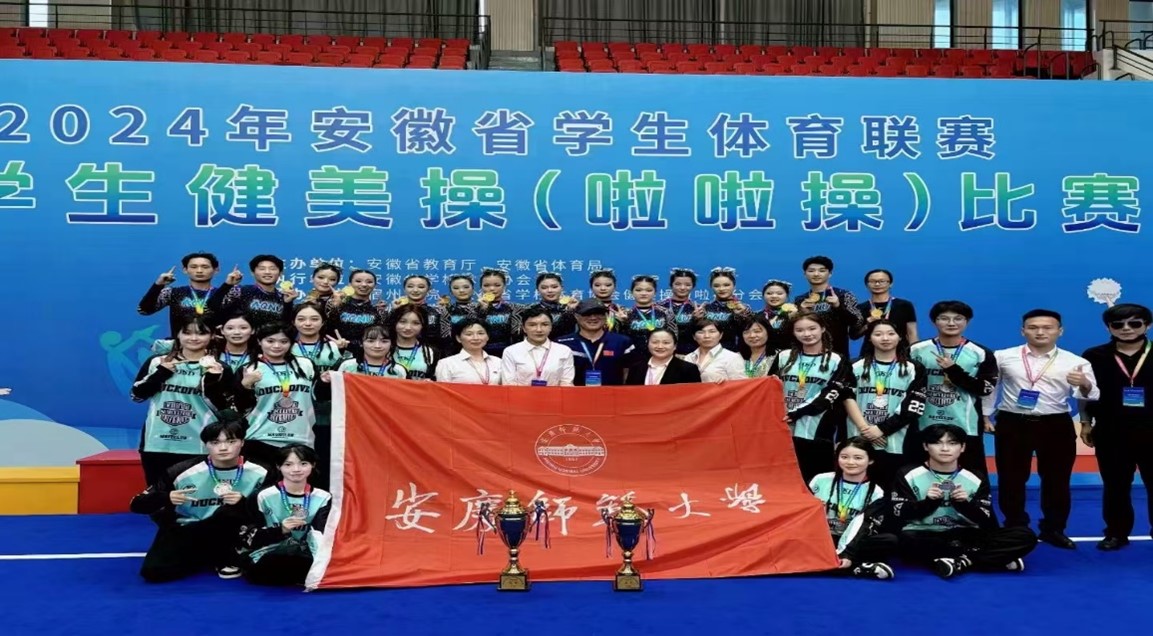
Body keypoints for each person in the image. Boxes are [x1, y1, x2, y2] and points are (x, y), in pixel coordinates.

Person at [983, 309, 1099, 549]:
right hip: (1013, 423)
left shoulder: (1075, 361)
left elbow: (1091, 395)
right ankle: (1015, 526)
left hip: (1055, 424)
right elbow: (991, 387)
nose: (1040, 332)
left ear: (1060, 331)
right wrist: (985, 415)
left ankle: (1053, 529)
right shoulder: (1003, 356)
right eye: (1033, 327)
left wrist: (1085, 384)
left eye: (1047, 327)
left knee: (1057, 480)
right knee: (1011, 478)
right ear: (1023, 331)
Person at [131, 412, 270, 582]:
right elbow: (136, 504)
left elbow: (273, 510)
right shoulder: (181, 471)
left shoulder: (262, 471)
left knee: (229, 513)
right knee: (154, 572)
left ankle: (225, 554)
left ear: (242, 443)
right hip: (191, 529)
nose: (223, 448)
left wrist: (244, 503)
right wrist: (166, 497)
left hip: (235, 531)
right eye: (215, 442)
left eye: (231, 441)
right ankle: (207, 554)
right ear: (205, 445)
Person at [891, 424, 1037, 578]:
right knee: (905, 543)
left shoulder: (976, 477)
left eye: (952, 443)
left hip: (966, 534)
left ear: (962, 447)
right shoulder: (907, 474)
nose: (945, 449)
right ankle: (989, 558)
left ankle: (961, 561)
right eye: (937, 443)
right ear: (925, 446)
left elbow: (985, 520)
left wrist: (964, 504)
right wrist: (928, 502)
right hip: (924, 533)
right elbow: (898, 514)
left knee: (1025, 535)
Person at [1080, 303, 1153, 550]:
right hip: (1112, 431)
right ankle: (1116, 533)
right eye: (1118, 324)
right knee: (1115, 486)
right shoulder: (1094, 355)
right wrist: (1085, 423)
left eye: (1135, 323)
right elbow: (1085, 393)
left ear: (1147, 325)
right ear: (1108, 328)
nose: (1126, 328)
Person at [131, 317, 234, 484]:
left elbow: (225, 409)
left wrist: (212, 380)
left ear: (212, 336)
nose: (193, 338)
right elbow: (136, 396)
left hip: (199, 445)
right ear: (178, 335)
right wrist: (161, 373)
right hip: (157, 443)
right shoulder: (157, 362)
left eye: (201, 333)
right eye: (187, 333)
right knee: (159, 495)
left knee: (196, 495)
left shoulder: (220, 368)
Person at [908, 301, 998, 476]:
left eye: (958, 318)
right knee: (918, 474)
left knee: (972, 475)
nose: (951, 323)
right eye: (944, 318)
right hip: (923, 424)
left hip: (965, 424)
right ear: (934, 321)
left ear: (967, 322)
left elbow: (985, 389)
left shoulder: (980, 353)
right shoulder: (916, 350)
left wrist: (953, 371)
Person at [844, 320, 928, 488]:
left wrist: (881, 429)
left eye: (890, 334)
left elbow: (913, 406)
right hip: (859, 438)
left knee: (892, 489)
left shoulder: (914, 368)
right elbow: (846, 398)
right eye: (878, 334)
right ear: (869, 338)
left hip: (897, 442)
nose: (885, 338)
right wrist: (866, 429)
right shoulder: (854, 366)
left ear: (900, 337)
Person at [769, 311, 851, 481]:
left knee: (813, 480)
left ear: (822, 329)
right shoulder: (784, 356)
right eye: (800, 330)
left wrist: (798, 412)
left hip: (818, 431)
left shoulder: (837, 360)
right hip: (783, 428)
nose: (806, 334)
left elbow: (831, 393)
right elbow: (769, 388)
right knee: (783, 479)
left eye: (812, 328)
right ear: (793, 332)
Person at [241, 444, 332, 587]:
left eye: (303, 464)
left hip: (307, 553)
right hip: (270, 552)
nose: (296, 469)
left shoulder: (323, 497)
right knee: (267, 564)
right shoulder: (262, 496)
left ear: (313, 465)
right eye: (288, 464)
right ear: (278, 466)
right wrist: (281, 530)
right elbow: (249, 539)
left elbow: (322, 535)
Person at [808, 438, 898, 580]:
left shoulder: (876, 492)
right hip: (819, 538)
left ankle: (827, 564)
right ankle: (859, 568)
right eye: (844, 457)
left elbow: (866, 525)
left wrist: (847, 554)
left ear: (870, 460)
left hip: (852, 540)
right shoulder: (820, 480)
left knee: (889, 540)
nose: (850, 462)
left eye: (858, 458)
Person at [234, 323, 320, 470]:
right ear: (259, 341)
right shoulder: (249, 369)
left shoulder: (306, 365)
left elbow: (320, 396)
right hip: (261, 439)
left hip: (301, 438)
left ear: (291, 343)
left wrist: (324, 382)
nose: (277, 346)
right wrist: (245, 385)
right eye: (270, 341)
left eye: (284, 341)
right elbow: (241, 407)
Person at [794, 255, 864, 359]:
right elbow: (795, 328)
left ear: (830, 273)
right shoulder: (800, 300)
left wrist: (838, 306)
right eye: (811, 271)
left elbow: (857, 322)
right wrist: (802, 311)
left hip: (838, 352)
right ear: (805, 274)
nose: (816, 274)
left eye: (822, 271)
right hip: (806, 353)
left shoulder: (843, 295)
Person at [137, 252, 220, 337]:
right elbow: (144, 310)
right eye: (193, 267)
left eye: (205, 267)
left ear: (216, 270)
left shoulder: (225, 295)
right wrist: (158, 285)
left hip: (217, 344)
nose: (199, 271)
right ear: (185, 270)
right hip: (180, 344)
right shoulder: (172, 293)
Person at [557, 299, 634, 386]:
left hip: (613, 394)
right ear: (576, 316)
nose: (593, 317)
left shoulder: (623, 342)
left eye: (598, 313)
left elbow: (626, 375)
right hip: (573, 394)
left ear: (606, 315)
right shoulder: (562, 343)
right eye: (587, 314)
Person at [501, 306, 575, 386]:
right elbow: (509, 384)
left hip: (555, 394)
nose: (539, 330)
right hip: (520, 394)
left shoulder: (564, 351)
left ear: (551, 327)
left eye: (544, 324)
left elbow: (567, 383)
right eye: (532, 325)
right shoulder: (511, 351)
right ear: (524, 328)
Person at [614, 275, 674, 368]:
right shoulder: (624, 313)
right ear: (631, 292)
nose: (643, 293)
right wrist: (620, 322)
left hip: (660, 359)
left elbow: (674, 337)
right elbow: (615, 340)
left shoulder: (666, 312)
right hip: (631, 361)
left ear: (655, 292)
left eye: (649, 290)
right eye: (638, 290)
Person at [325, 269, 387, 353]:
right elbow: (325, 330)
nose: (364, 285)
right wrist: (335, 307)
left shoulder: (378, 311)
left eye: (369, 282)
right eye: (358, 281)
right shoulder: (336, 306)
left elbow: (382, 337)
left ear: (375, 285)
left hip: (367, 355)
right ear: (350, 284)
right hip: (335, 353)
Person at [691, 267, 753, 351]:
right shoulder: (705, 308)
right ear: (711, 287)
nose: (721, 289)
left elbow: (752, 332)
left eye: (726, 285)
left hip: (735, 353)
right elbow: (695, 335)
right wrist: (695, 319)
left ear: (734, 286)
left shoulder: (743, 308)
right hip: (708, 352)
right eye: (716, 286)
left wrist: (744, 314)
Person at [856, 269, 918, 344]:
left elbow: (912, 333)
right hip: (870, 350)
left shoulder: (905, 306)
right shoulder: (860, 308)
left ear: (891, 284)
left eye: (882, 281)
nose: (877, 284)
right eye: (872, 281)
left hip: (901, 349)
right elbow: (854, 335)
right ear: (867, 285)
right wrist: (867, 324)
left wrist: (915, 350)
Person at [434, 318, 503, 385]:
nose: (476, 338)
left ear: (487, 337)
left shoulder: (498, 362)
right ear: (458, 338)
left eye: (480, 333)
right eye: (469, 334)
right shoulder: (447, 364)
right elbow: (443, 391)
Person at [624, 328, 702, 385]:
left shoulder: (688, 369)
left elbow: (694, 396)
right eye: (655, 342)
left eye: (666, 343)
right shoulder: (636, 368)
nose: (660, 346)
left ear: (675, 346)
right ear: (648, 344)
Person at [327, 325, 407, 380]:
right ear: (361, 343)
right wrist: (324, 380)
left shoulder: (399, 370)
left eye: (384, 341)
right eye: (370, 341)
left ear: (391, 344)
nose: (377, 346)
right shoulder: (346, 365)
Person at [475, 268, 524, 357]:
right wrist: (482, 310)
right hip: (480, 354)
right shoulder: (473, 309)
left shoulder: (516, 308)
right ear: (481, 287)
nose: (492, 288)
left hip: (510, 354)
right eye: (486, 285)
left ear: (504, 286)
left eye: (497, 285)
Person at [388, 303, 441, 380]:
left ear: (423, 326)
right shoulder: (384, 348)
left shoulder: (430, 351)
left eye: (416, 323)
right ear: (394, 323)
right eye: (402, 322)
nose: (408, 327)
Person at [657, 267, 699, 356]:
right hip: (662, 353)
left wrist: (697, 320)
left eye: (687, 285)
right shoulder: (658, 307)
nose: (682, 288)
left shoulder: (697, 309)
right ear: (671, 285)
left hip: (690, 354)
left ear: (693, 286)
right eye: (678, 284)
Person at [759, 279, 798, 356]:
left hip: (789, 356)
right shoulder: (757, 317)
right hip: (764, 358)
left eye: (779, 293)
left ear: (787, 296)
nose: (774, 296)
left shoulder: (794, 314)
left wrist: (793, 319)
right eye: (769, 293)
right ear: (763, 296)